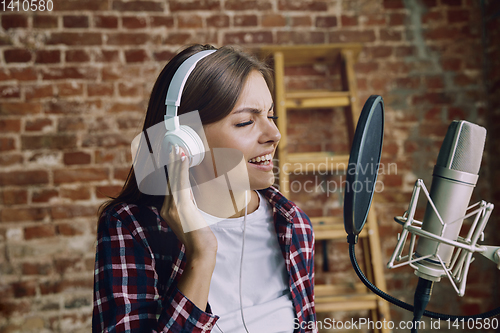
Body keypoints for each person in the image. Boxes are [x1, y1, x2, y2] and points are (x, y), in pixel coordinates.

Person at [92, 44, 316, 333]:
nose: (275, 134)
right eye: (246, 121)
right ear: (184, 142)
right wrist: (201, 255)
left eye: (270, 116)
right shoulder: (132, 228)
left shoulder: (293, 224)